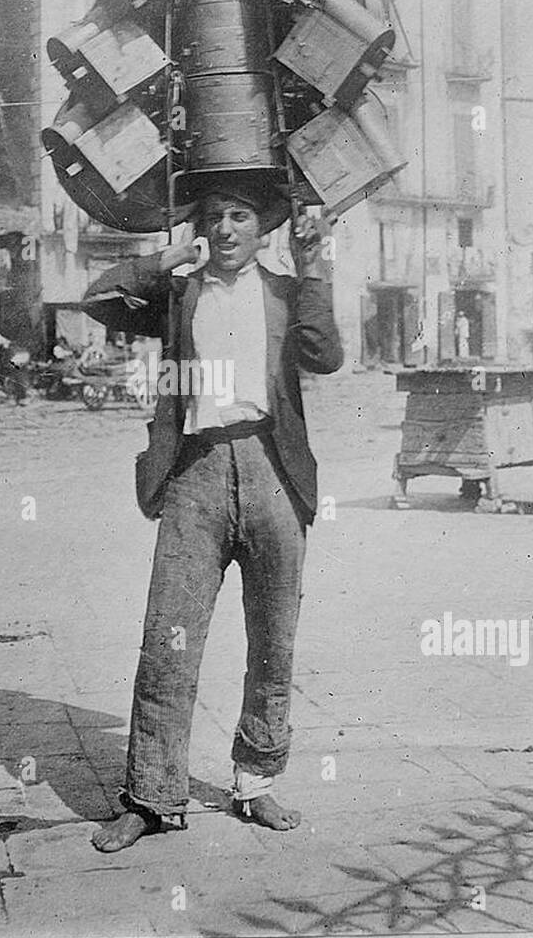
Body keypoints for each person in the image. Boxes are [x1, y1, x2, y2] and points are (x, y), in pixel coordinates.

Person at [82, 181, 342, 852]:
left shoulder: (285, 292)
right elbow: (99, 299)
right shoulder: (178, 295)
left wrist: (313, 268)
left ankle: (255, 782)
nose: (225, 228)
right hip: (195, 473)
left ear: (262, 229)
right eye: (213, 217)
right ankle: (150, 795)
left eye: (239, 216)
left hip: (271, 471)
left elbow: (326, 355)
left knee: (273, 641)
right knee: (168, 637)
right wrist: (165, 260)